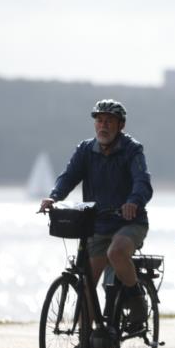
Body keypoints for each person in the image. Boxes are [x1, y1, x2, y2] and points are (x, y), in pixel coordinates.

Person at [39, 99, 153, 334]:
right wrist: (54, 197)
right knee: (86, 284)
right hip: (97, 224)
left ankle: (137, 302)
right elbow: (68, 176)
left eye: (109, 121)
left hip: (130, 222)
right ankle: (85, 344)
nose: (103, 126)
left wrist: (133, 202)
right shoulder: (85, 150)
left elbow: (143, 183)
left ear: (121, 125)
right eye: (99, 121)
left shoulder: (132, 149)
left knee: (116, 251)